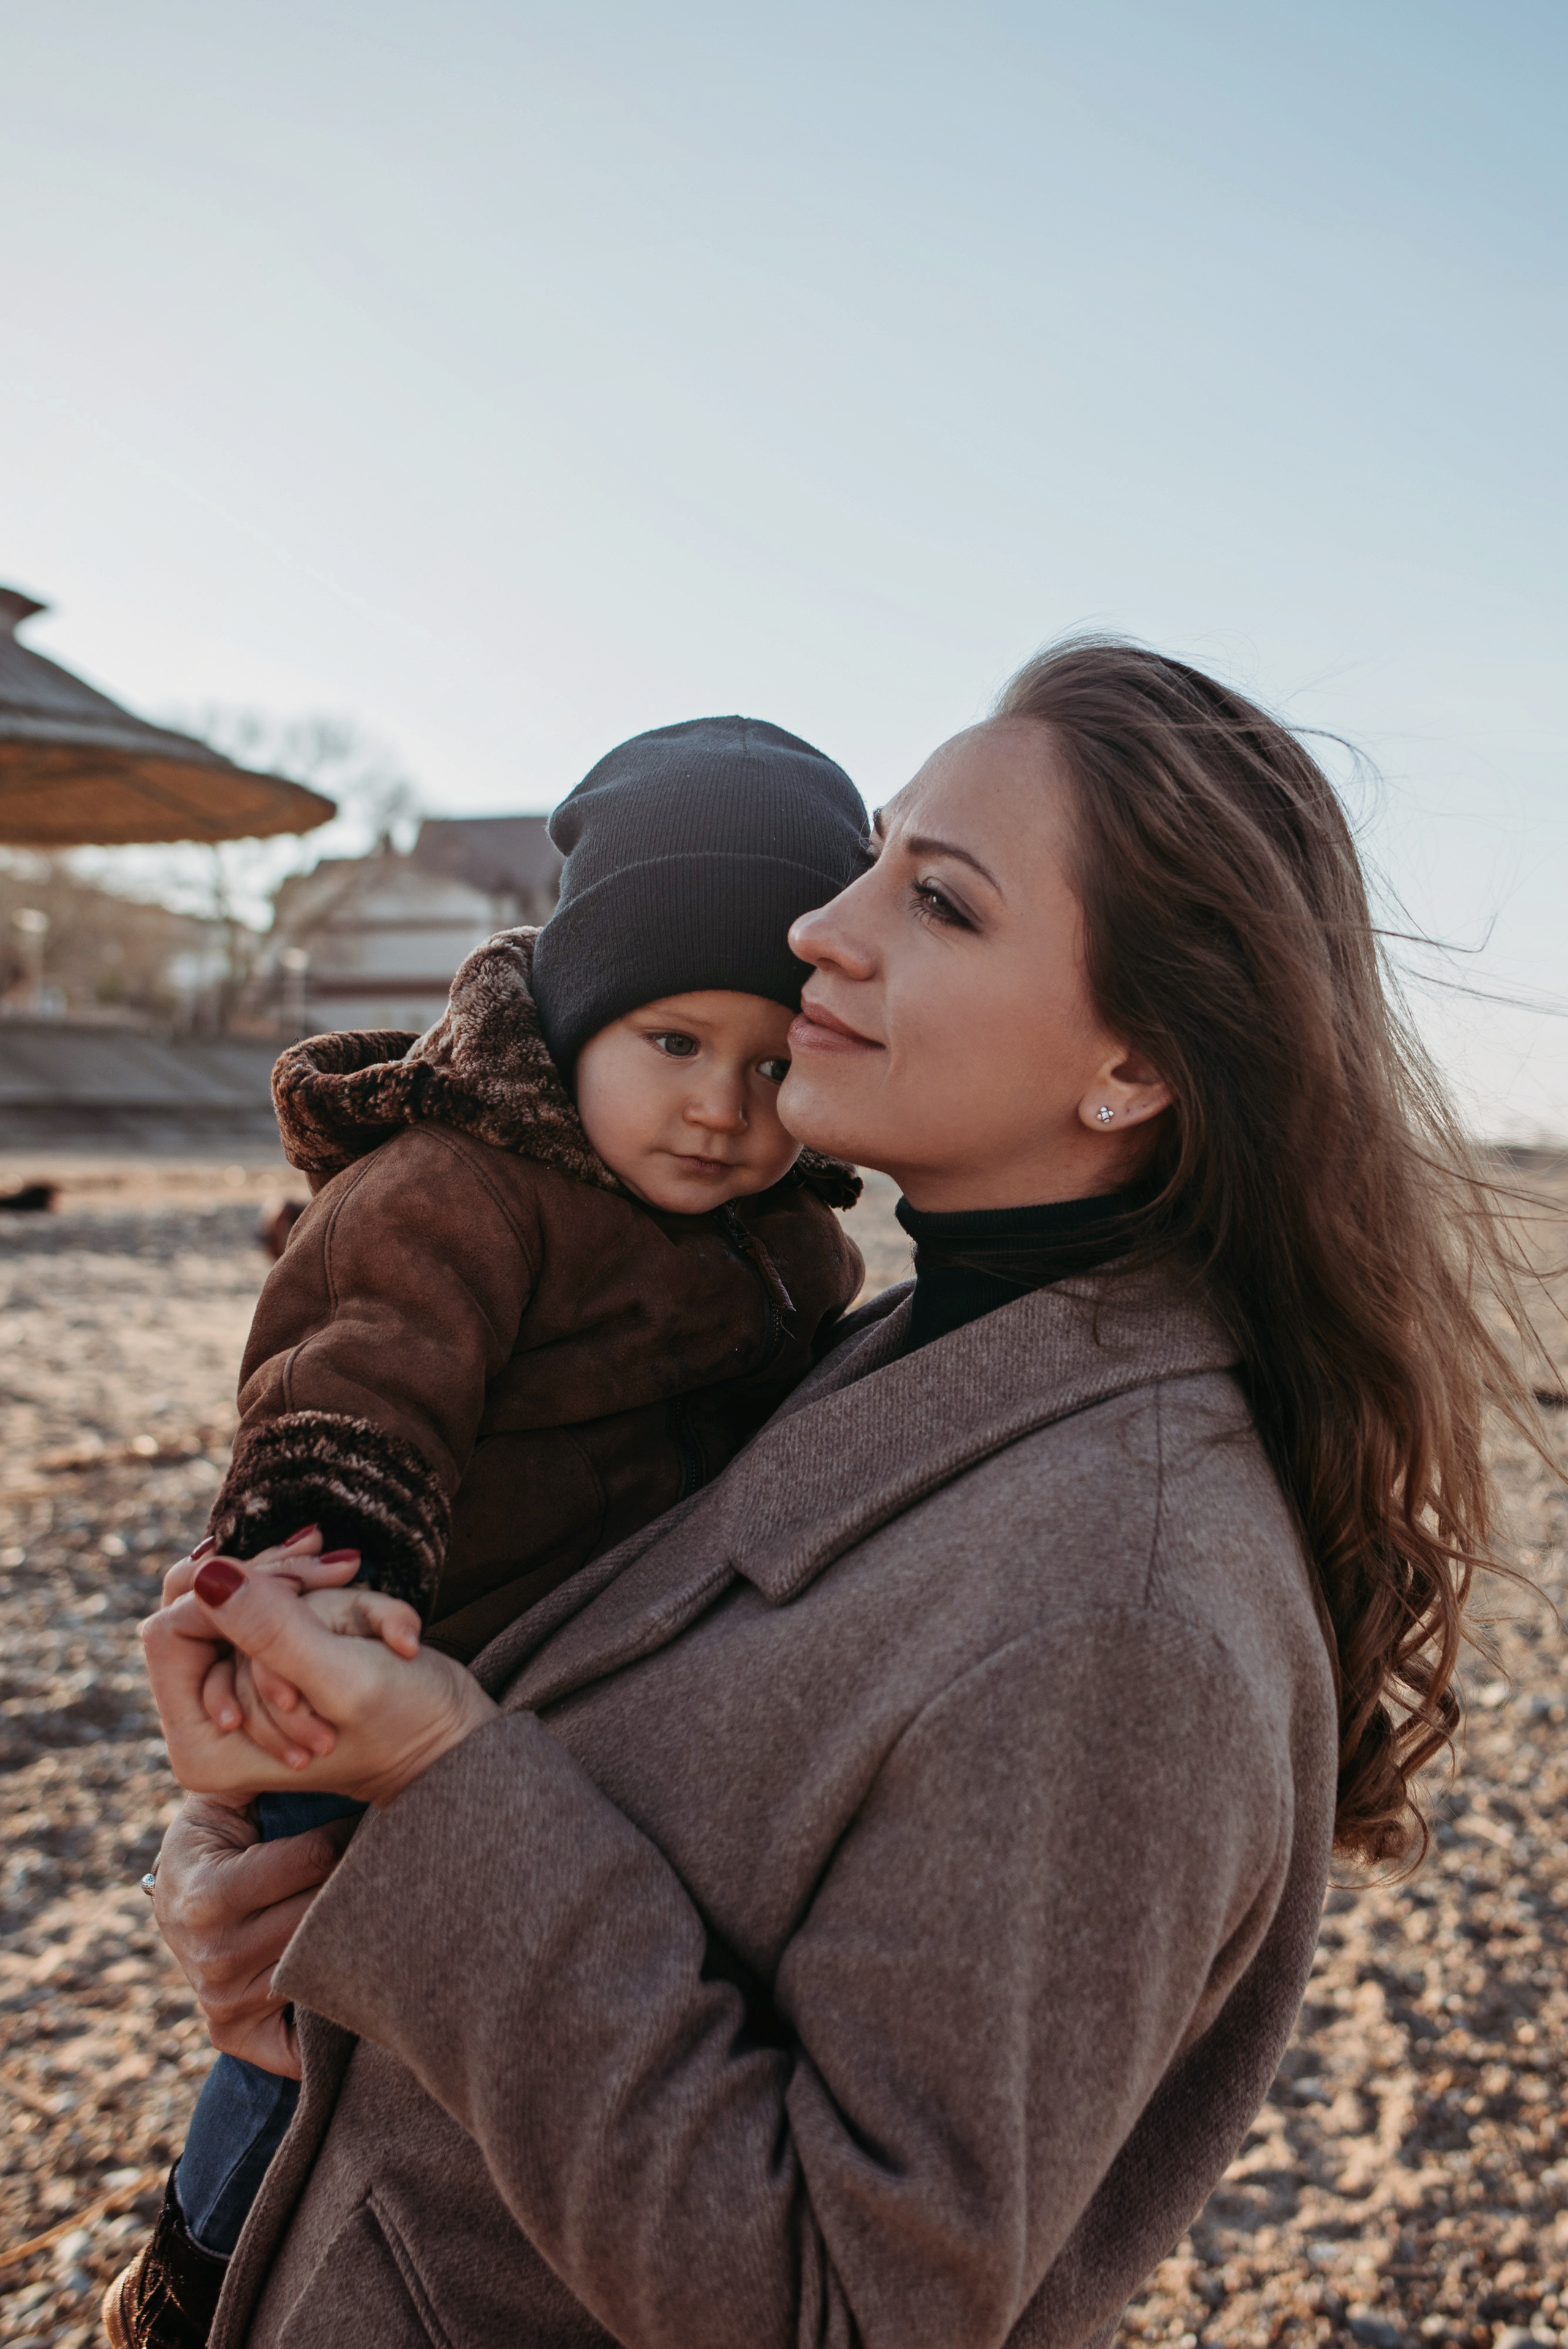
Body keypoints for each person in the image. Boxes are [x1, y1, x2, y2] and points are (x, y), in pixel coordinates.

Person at [137, 640, 1532, 2349]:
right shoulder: (861, 1343)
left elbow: (843, 2305)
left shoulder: (1127, 1606)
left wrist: (433, 1786)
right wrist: (274, 1880)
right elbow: (570, 1692)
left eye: (938, 901)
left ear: (1137, 1066)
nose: (821, 926)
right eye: (871, 850)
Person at [107, 715, 869, 2347]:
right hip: (385, 1661)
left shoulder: (791, 1249)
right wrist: (325, 1568)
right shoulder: (459, 1184)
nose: (723, 1108)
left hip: (568, 1705)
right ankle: (204, 2256)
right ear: (581, 1009)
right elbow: (350, 1368)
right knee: (302, 1999)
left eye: (773, 1062)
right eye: (672, 1040)